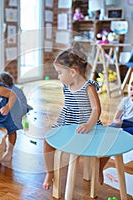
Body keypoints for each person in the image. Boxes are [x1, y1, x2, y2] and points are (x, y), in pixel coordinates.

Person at [42, 43, 109, 190]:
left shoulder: (89, 87)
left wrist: (89, 124)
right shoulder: (67, 86)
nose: (58, 76)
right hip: (67, 122)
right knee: (47, 141)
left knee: (108, 145)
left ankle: (99, 169)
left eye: (60, 73)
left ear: (73, 72)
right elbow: (68, 107)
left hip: (88, 125)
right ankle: (50, 172)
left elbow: (96, 109)